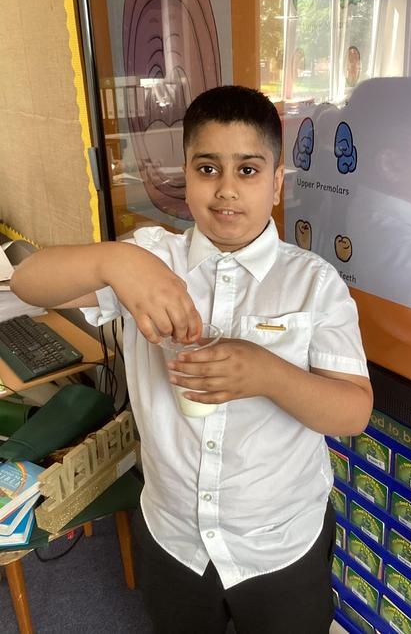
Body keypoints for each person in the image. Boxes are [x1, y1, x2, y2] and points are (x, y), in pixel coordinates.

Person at [11, 85, 372, 634]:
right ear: (185, 175)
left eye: (248, 170)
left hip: (280, 542)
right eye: (208, 169)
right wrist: (115, 261)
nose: (226, 189)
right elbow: (26, 283)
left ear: (277, 182)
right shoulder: (151, 260)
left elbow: (353, 412)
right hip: (174, 536)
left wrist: (268, 374)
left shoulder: (314, 285)